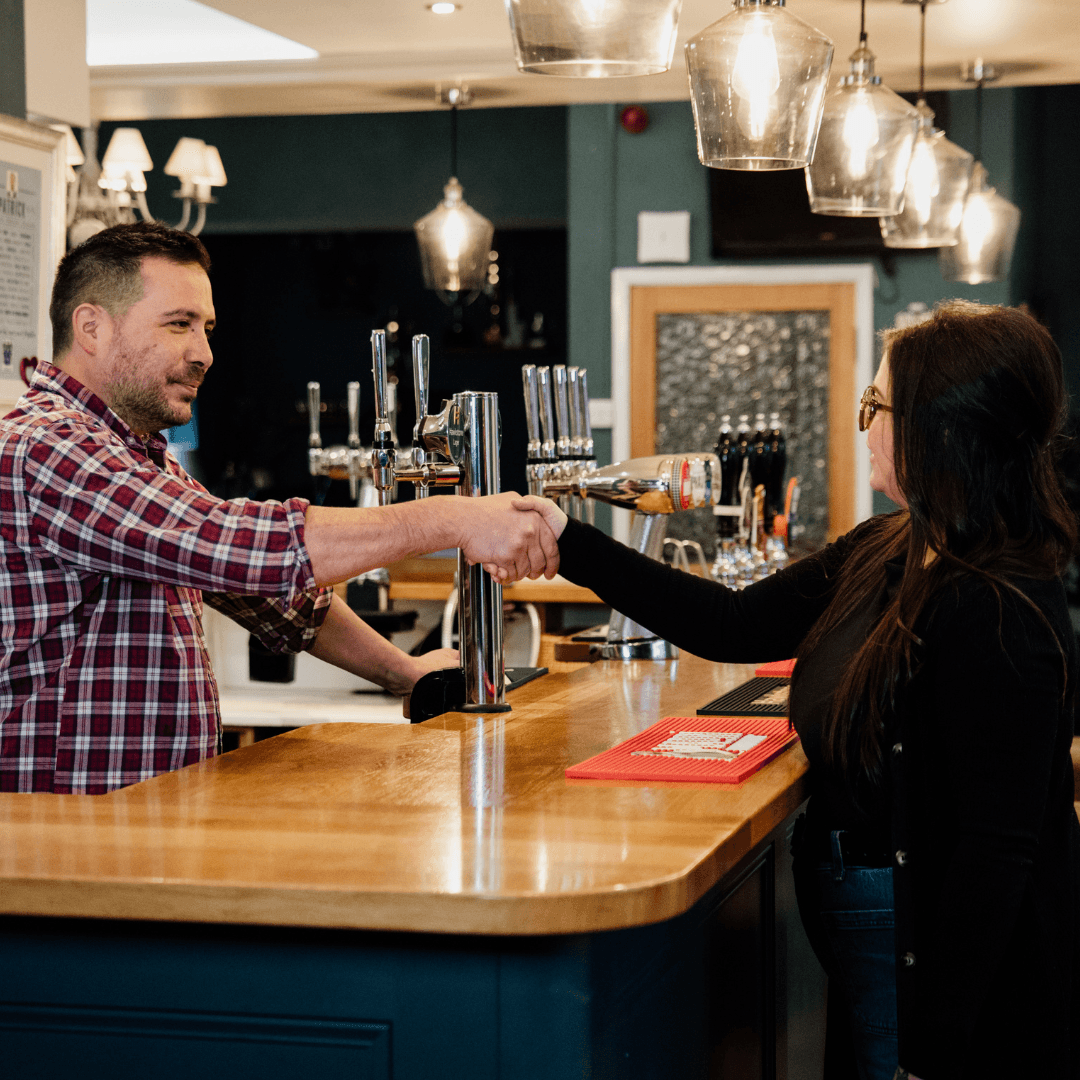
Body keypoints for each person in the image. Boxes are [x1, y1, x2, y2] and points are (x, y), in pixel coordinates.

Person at [520, 301, 1080, 1080]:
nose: (863, 425)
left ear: (940, 427)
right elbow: (733, 623)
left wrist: (933, 1047)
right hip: (874, 948)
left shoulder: (1000, 607)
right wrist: (566, 538)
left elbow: (995, 855)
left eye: (877, 406)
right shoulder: (893, 546)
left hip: (927, 981)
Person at [0, 222, 559, 795]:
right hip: (63, 837)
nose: (204, 354)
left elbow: (279, 602)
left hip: (137, 825)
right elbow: (235, 545)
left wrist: (403, 672)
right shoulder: (45, 447)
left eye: (207, 328)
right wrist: (455, 517)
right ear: (90, 327)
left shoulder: (138, 459)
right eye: (178, 325)